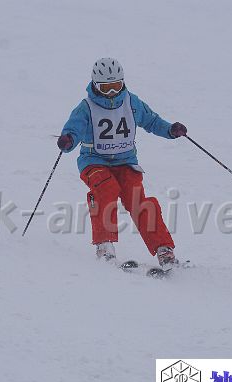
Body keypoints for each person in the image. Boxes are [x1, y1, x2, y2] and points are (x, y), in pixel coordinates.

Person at [57, 58, 187, 268]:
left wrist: (170, 130)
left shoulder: (131, 102)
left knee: (138, 200)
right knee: (106, 188)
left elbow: (152, 121)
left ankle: (164, 250)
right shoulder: (86, 108)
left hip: (126, 162)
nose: (111, 93)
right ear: (95, 85)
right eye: (106, 88)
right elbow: (74, 130)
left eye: (116, 86)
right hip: (94, 162)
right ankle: (104, 246)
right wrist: (68, 140)